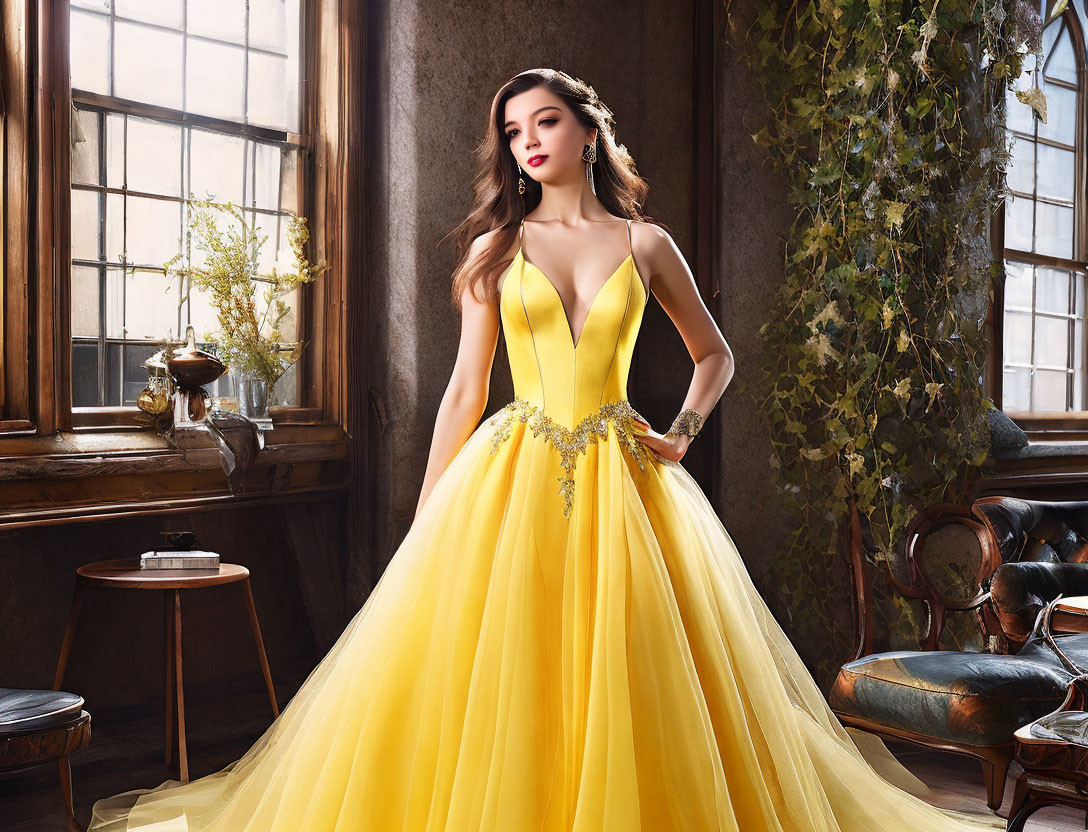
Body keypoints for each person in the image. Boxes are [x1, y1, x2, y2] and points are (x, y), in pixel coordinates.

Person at [88, 68, 1005, 831]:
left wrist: (680, 433)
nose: (529, 140)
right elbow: (462, 389)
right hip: (514, 469)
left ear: (587, 134)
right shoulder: (494, 249)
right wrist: (430, 511)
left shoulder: (646, 242)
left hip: (626, 478)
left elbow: (716, 354)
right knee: (500, 666)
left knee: (633, 667)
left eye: (547, 121)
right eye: (514, 129)